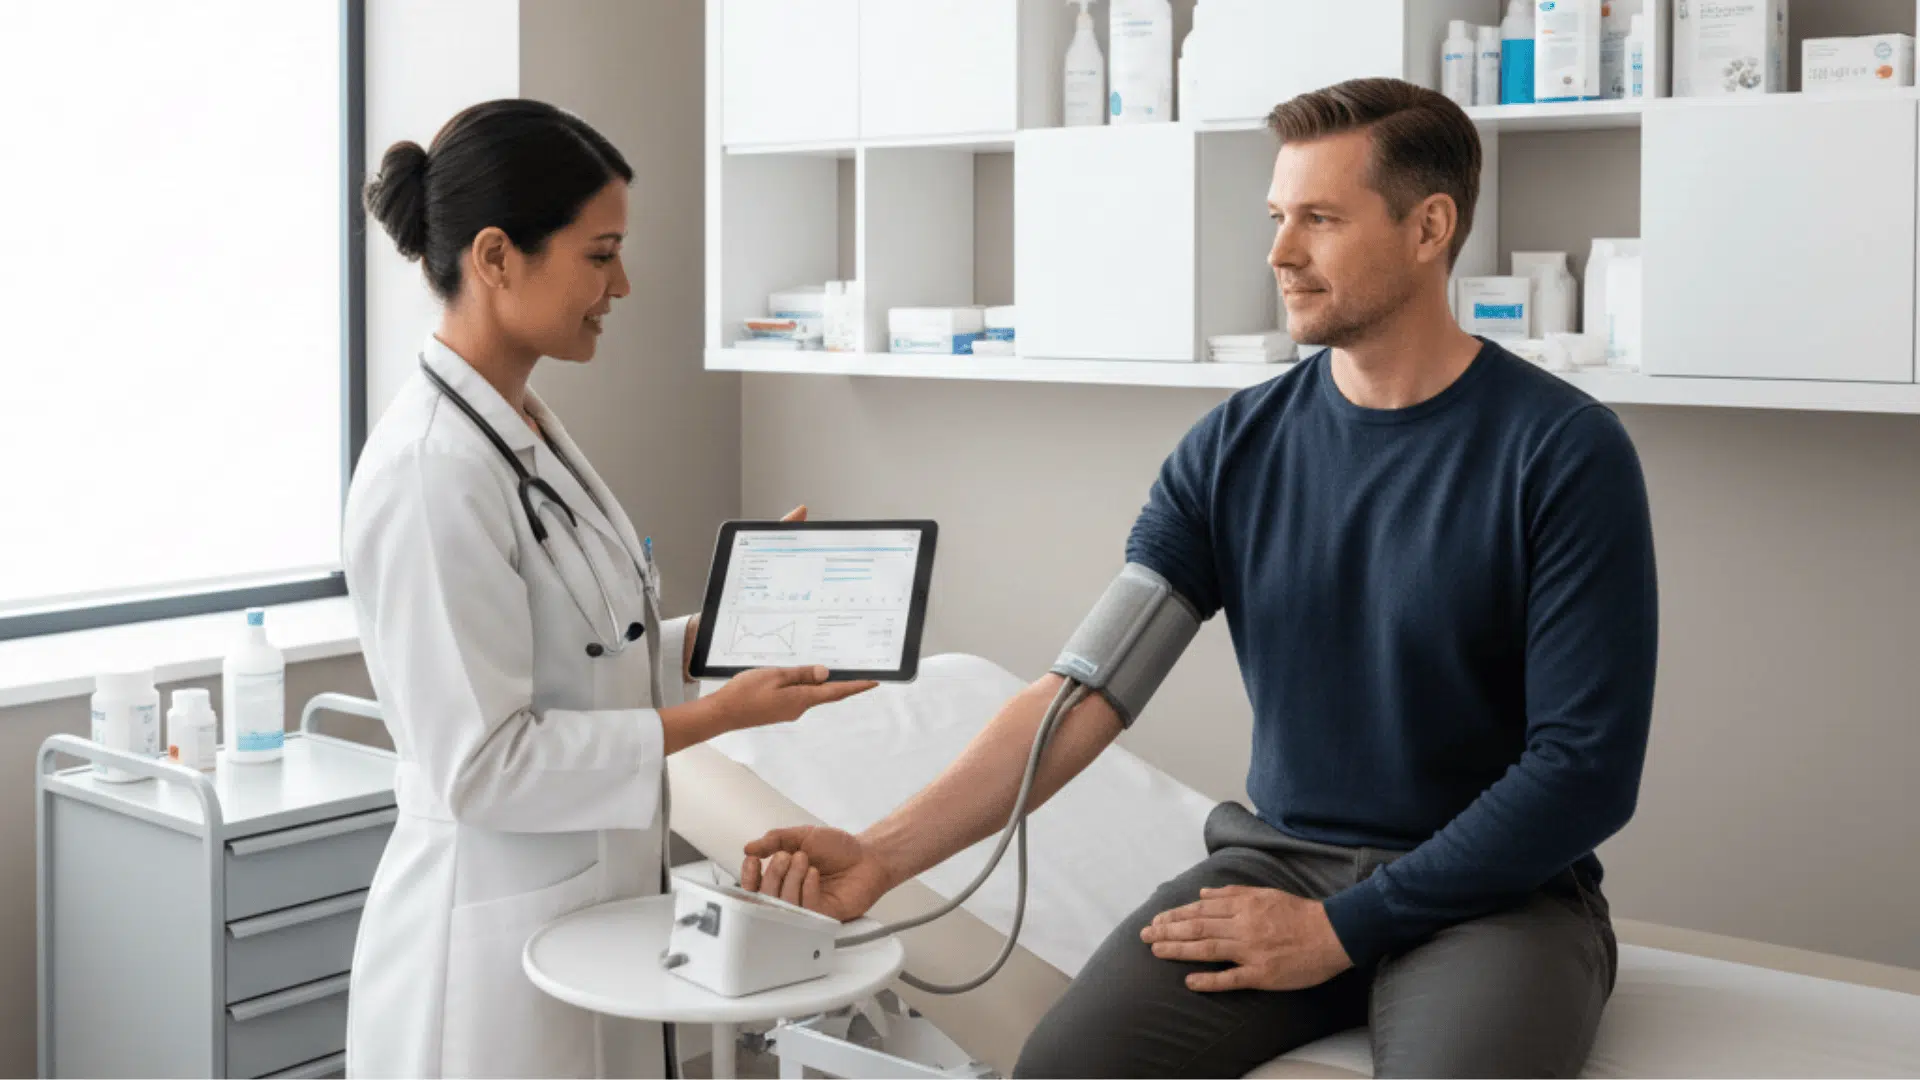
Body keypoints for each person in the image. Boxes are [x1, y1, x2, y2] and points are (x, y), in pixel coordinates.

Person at [738, 78, 1659, 1078]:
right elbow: (1082, 694)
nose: (1279, 253)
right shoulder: (1234, 448)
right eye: (1276, 217)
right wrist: (878, 859)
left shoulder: (1563, 451)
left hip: (1496, 897)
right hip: (1280, 863)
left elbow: (1584, 772)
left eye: (1320, 218)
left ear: (1429, 226)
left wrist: (1345, 928)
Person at [341, 99, 875, 1079]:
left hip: (593, 917)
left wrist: (717, 636)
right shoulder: (431, 472)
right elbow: (484, 765)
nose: (622, 283)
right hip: (484, 955)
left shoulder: (523, 425)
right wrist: (714, 717)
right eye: (600, 254)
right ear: (497, 258)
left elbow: (582, 655)